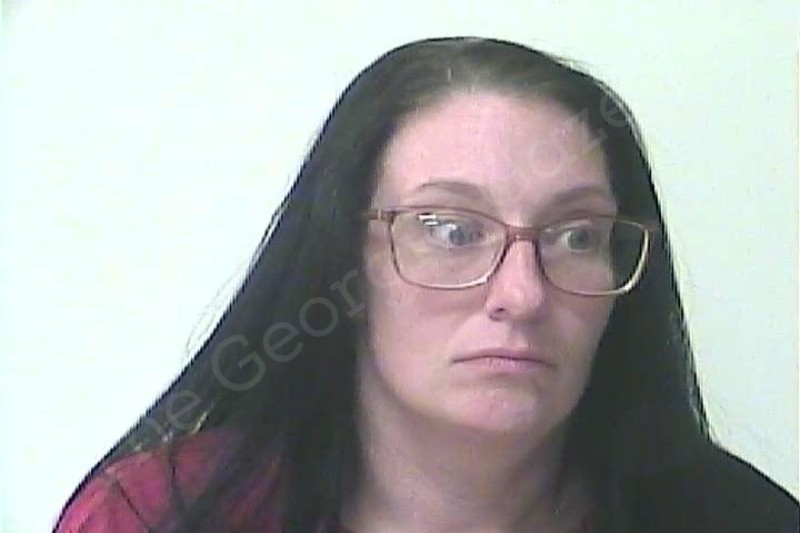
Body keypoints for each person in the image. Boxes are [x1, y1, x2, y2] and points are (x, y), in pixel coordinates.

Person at [54, 36, 798, 533]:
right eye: (450, 229)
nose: (522, 295)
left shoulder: (738, 521)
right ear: (348, 260)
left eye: (576, 236)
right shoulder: (160, 515)